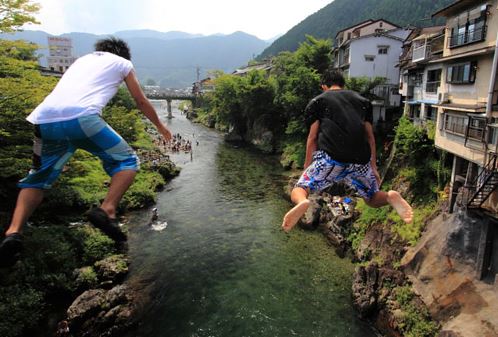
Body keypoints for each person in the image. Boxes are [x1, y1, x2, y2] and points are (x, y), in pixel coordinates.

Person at [0, 37, 172, 267]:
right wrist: (161, 127)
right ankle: (107, 209)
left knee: (37, 178)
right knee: (128, 161)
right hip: (83, 119)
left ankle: (13, 233)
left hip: (44, 121)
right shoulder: (123, 63)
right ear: (123, 54)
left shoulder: (79, 61)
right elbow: (140, 100)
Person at [281, 70, 413, 232]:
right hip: (360, 159)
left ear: (324, 86)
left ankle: (302, 202)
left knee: (300, 188)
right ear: (343, 85)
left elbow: (312, 138)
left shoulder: (318, 101)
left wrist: (306, 167)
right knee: (371, 198)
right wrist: (374, 167)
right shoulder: (363, 102)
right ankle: (389, 197)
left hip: (332, 157)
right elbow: (370, 138)